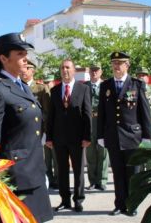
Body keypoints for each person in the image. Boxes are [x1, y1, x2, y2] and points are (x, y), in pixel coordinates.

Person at [0, 32, 53, 222]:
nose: (25, 58)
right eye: (20, 54)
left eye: (25, 53)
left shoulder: (22, 86)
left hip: (34, 171)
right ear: (4, 58)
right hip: (17, 177)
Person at [97, 52, 151, 216]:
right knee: (118, 173)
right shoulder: (106, 86)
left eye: (120, 63)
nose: (116, 66)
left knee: (133, 174)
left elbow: (145, 112)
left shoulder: (137, 84)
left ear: (127, 65)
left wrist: (147, 136)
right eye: (114, 63)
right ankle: (119, 204)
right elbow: (102, 113)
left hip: (132, 137)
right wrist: (100, 135)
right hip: (113, 136)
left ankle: (132, 204)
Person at [46, 59, 91, 213]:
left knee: (78, 170)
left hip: (78, 138)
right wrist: (49, 137)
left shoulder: (83, 89)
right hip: (59, 138)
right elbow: (50, 116)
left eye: (67, 67)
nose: (64, 70)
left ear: (74, 71)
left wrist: (87, 136)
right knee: (62, 170)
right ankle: (65, 200)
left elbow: (87, 114)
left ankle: (78, 200)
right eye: (62, 68)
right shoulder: (55, 90)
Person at [21, 60, 58, 190]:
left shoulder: (41, 88)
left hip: (39, 130)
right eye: (23, 68)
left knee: (43, 159)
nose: (24, 71)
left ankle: (47, 181)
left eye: (27, 68)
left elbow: (47, 112)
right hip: (23, 131)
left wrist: (46, 132)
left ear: (33, 71)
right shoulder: (16, 86)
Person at [84, 64, 109, 191]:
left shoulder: (107, 86)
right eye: (92, 70)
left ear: (101, 71)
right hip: (88, 122)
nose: (94, 72)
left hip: (102, 122)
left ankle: (102, 180)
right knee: (90, 153)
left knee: (103, 152)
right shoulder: (84, 86)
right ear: (89, 72)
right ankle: (92, 181)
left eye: (96, 70)